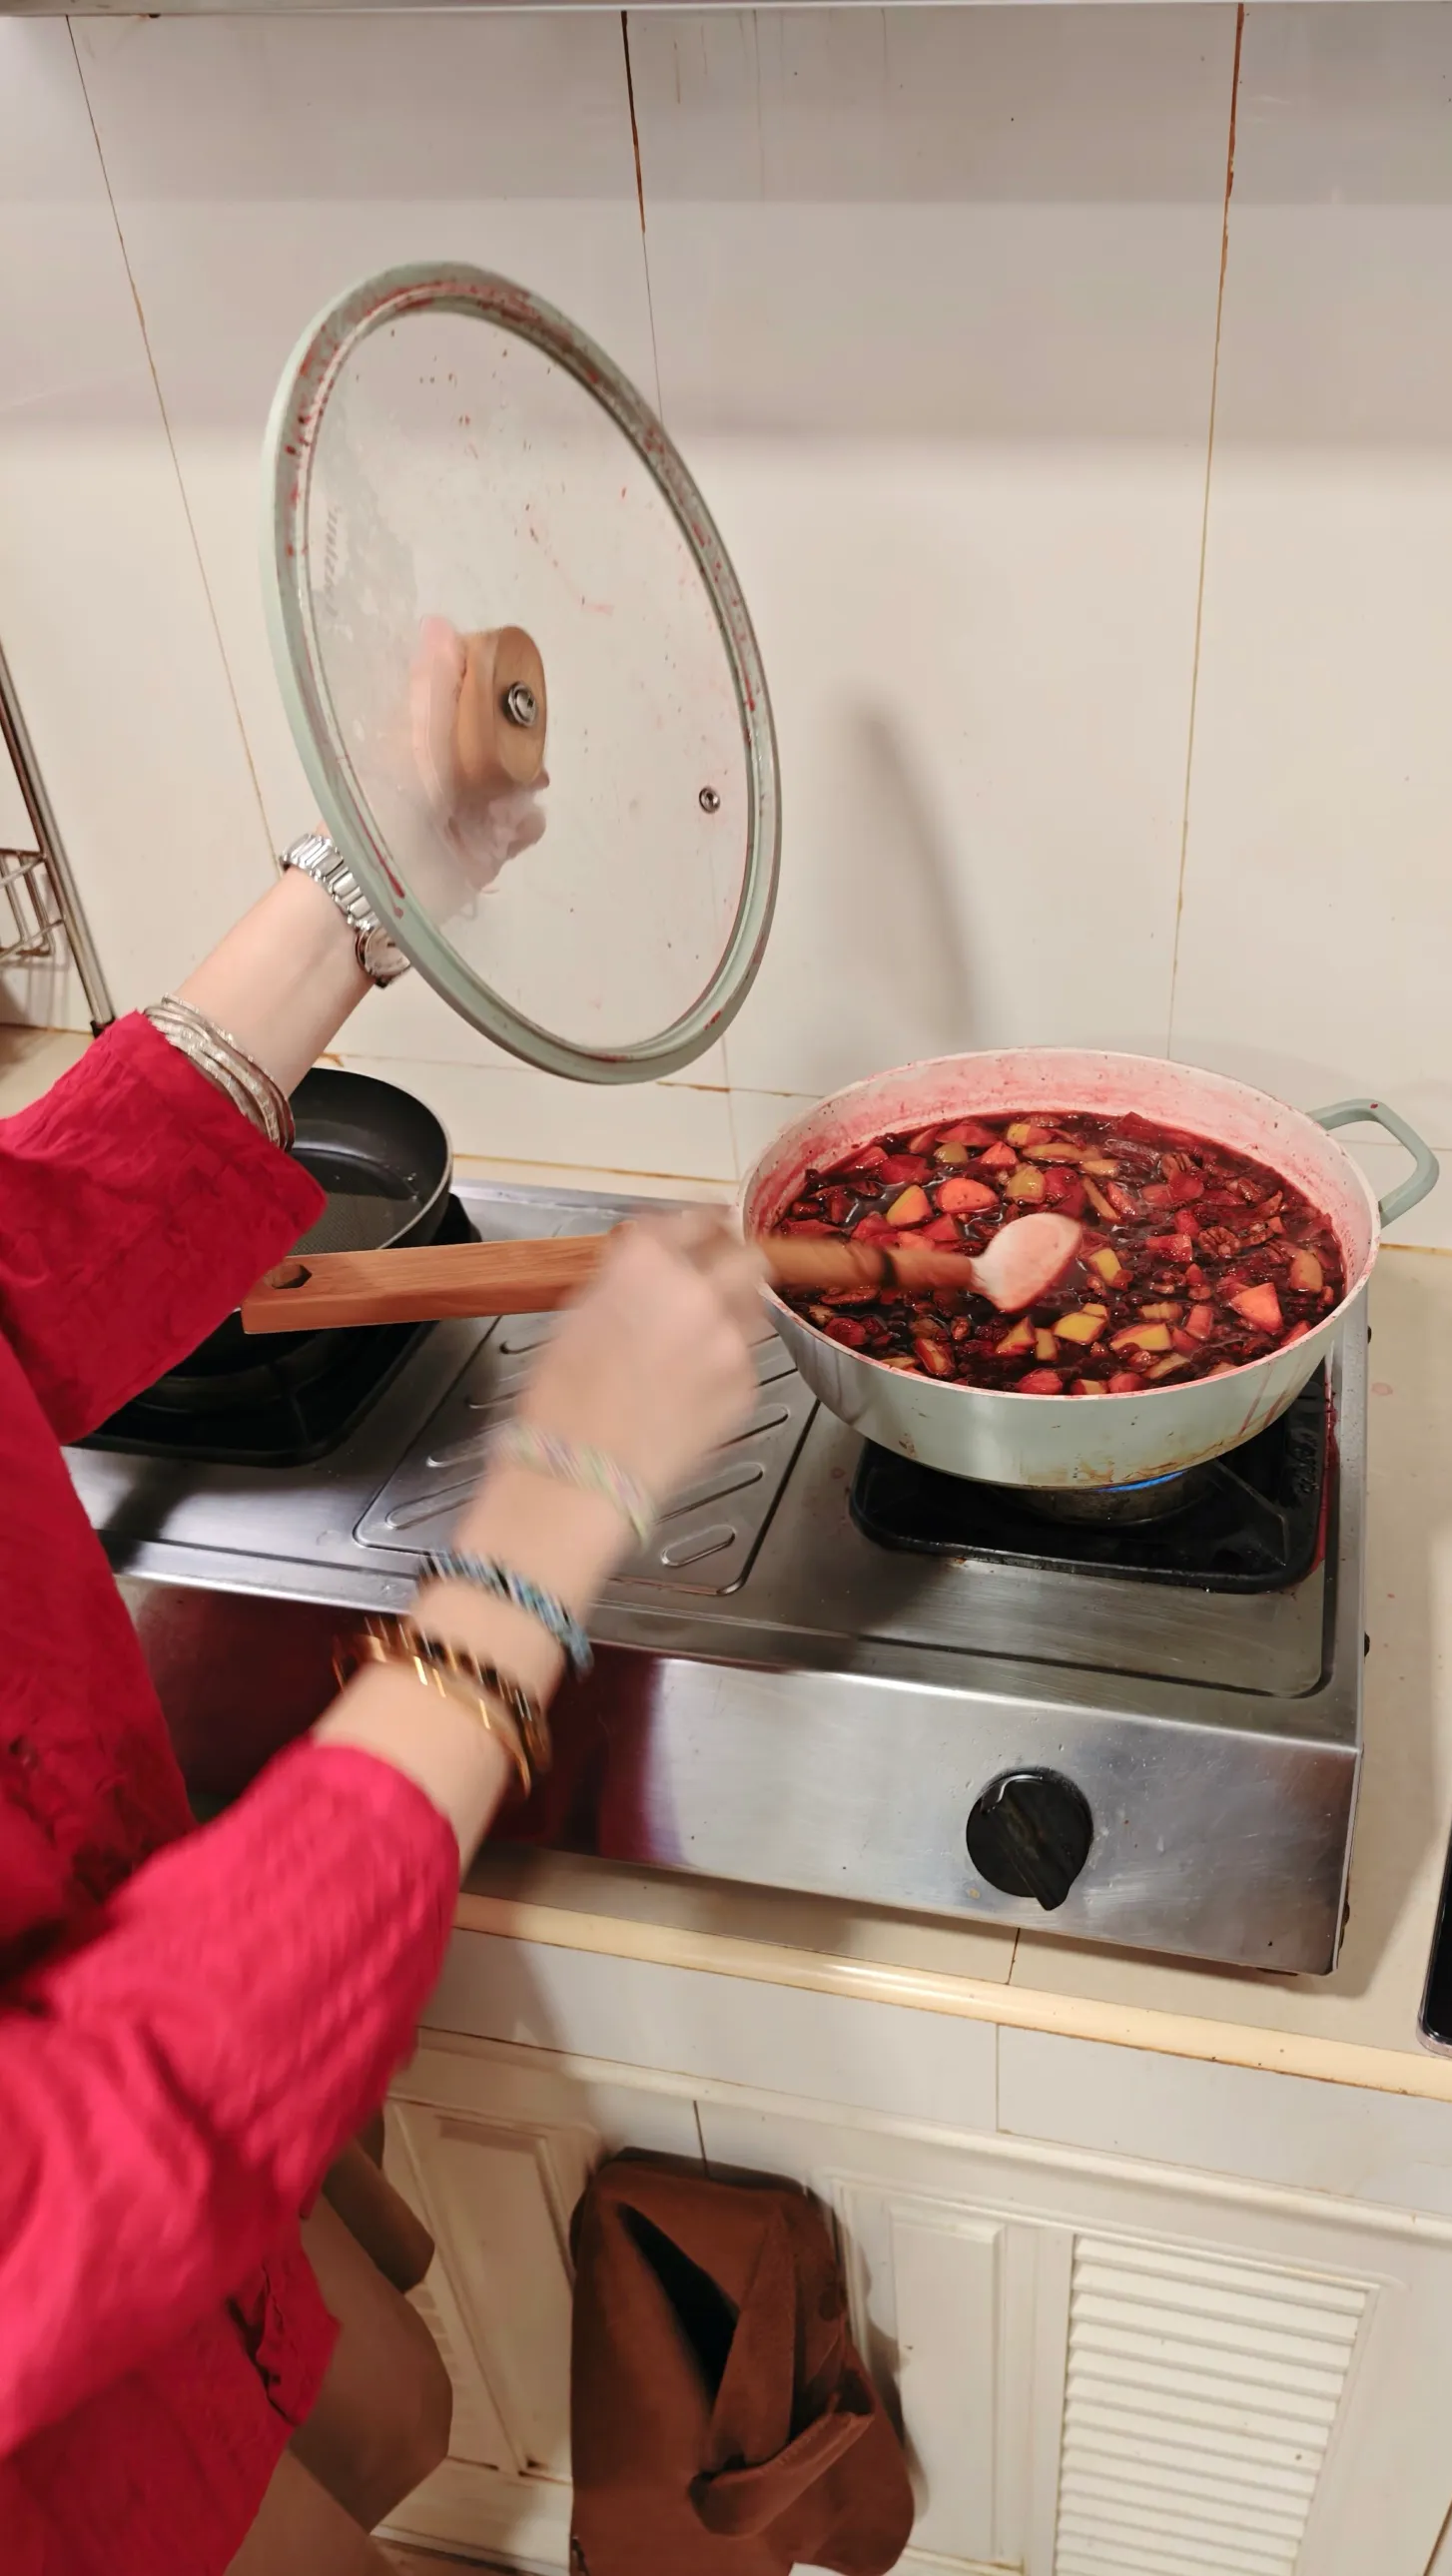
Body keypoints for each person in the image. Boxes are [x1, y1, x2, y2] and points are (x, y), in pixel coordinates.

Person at [0, 839, 767, 2575]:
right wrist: (534, 1541)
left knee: (392, 2410)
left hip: (125, 2029)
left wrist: (372, 875)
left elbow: (20, 1257)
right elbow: (60, 2177)